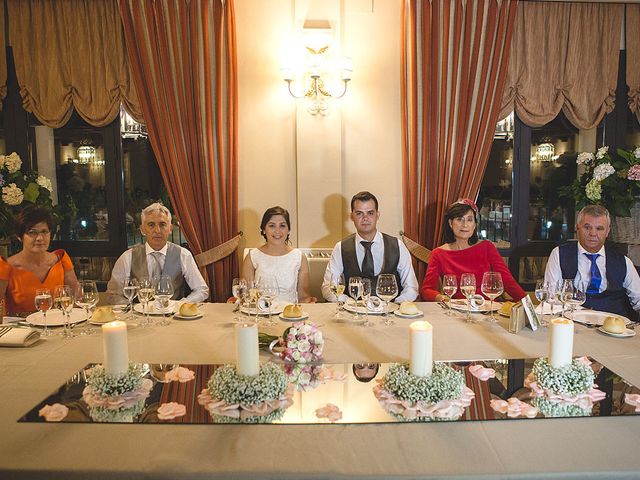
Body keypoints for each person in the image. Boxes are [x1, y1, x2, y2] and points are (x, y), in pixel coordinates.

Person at [544, 204, 640, 320]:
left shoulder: (624, 262)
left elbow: (638, 301)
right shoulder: (559, 254)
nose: (593, 234)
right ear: (577, 228)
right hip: (573, 326)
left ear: (607, 231)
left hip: (613, 331)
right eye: (587, 227)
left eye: (599, 228)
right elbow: (551, 298)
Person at [322, 191, 419, 303]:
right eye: (359, 213)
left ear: (377, 215)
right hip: (353, 314)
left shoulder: (398, 246)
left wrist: (393, 305)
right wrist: (352, 303)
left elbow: (411, 288)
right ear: (352, 216)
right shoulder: (340, 248)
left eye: (370, 213)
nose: (365, 218)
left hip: (390, 314)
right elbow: (328, 288)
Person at [421, 199, 526, 302]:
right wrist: (441, 298)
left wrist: (528, 306)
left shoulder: (487, 247)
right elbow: (426, 290)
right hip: (458, 311)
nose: (465, 224)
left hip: (489, 310)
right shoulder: (438, 253)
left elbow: (507, 281)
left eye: (469, 220)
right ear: (450, 223)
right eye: (459, 219)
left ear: (475, 225)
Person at [107, 203, 208, 304]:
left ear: (170, 229)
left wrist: (180, 304)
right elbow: (113, 295)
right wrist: (132, 309)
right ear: (142, 229)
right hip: (140, 317)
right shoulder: (127, 257)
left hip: (173, 316)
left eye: (162, 224)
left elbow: (202, 290)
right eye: (151, 225)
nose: (157, 230)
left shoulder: (184, 255)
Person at [0, 206, 79, 315]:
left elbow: (76, 299)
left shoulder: (61, 260)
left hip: (57, 326)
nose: (40, 238)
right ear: (20, 236)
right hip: (21, 329)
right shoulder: (5, 267)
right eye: (32, 232)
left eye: (44, 232)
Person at [242, 206, 312, 303]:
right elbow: (248, 297)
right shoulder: (252, 257)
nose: (277, 231)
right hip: (261, 314)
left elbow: (303, 298)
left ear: (288, 230)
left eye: (282, 225)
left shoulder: (299, 257)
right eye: (272, 225)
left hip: (289, 314)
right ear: (263, 230)